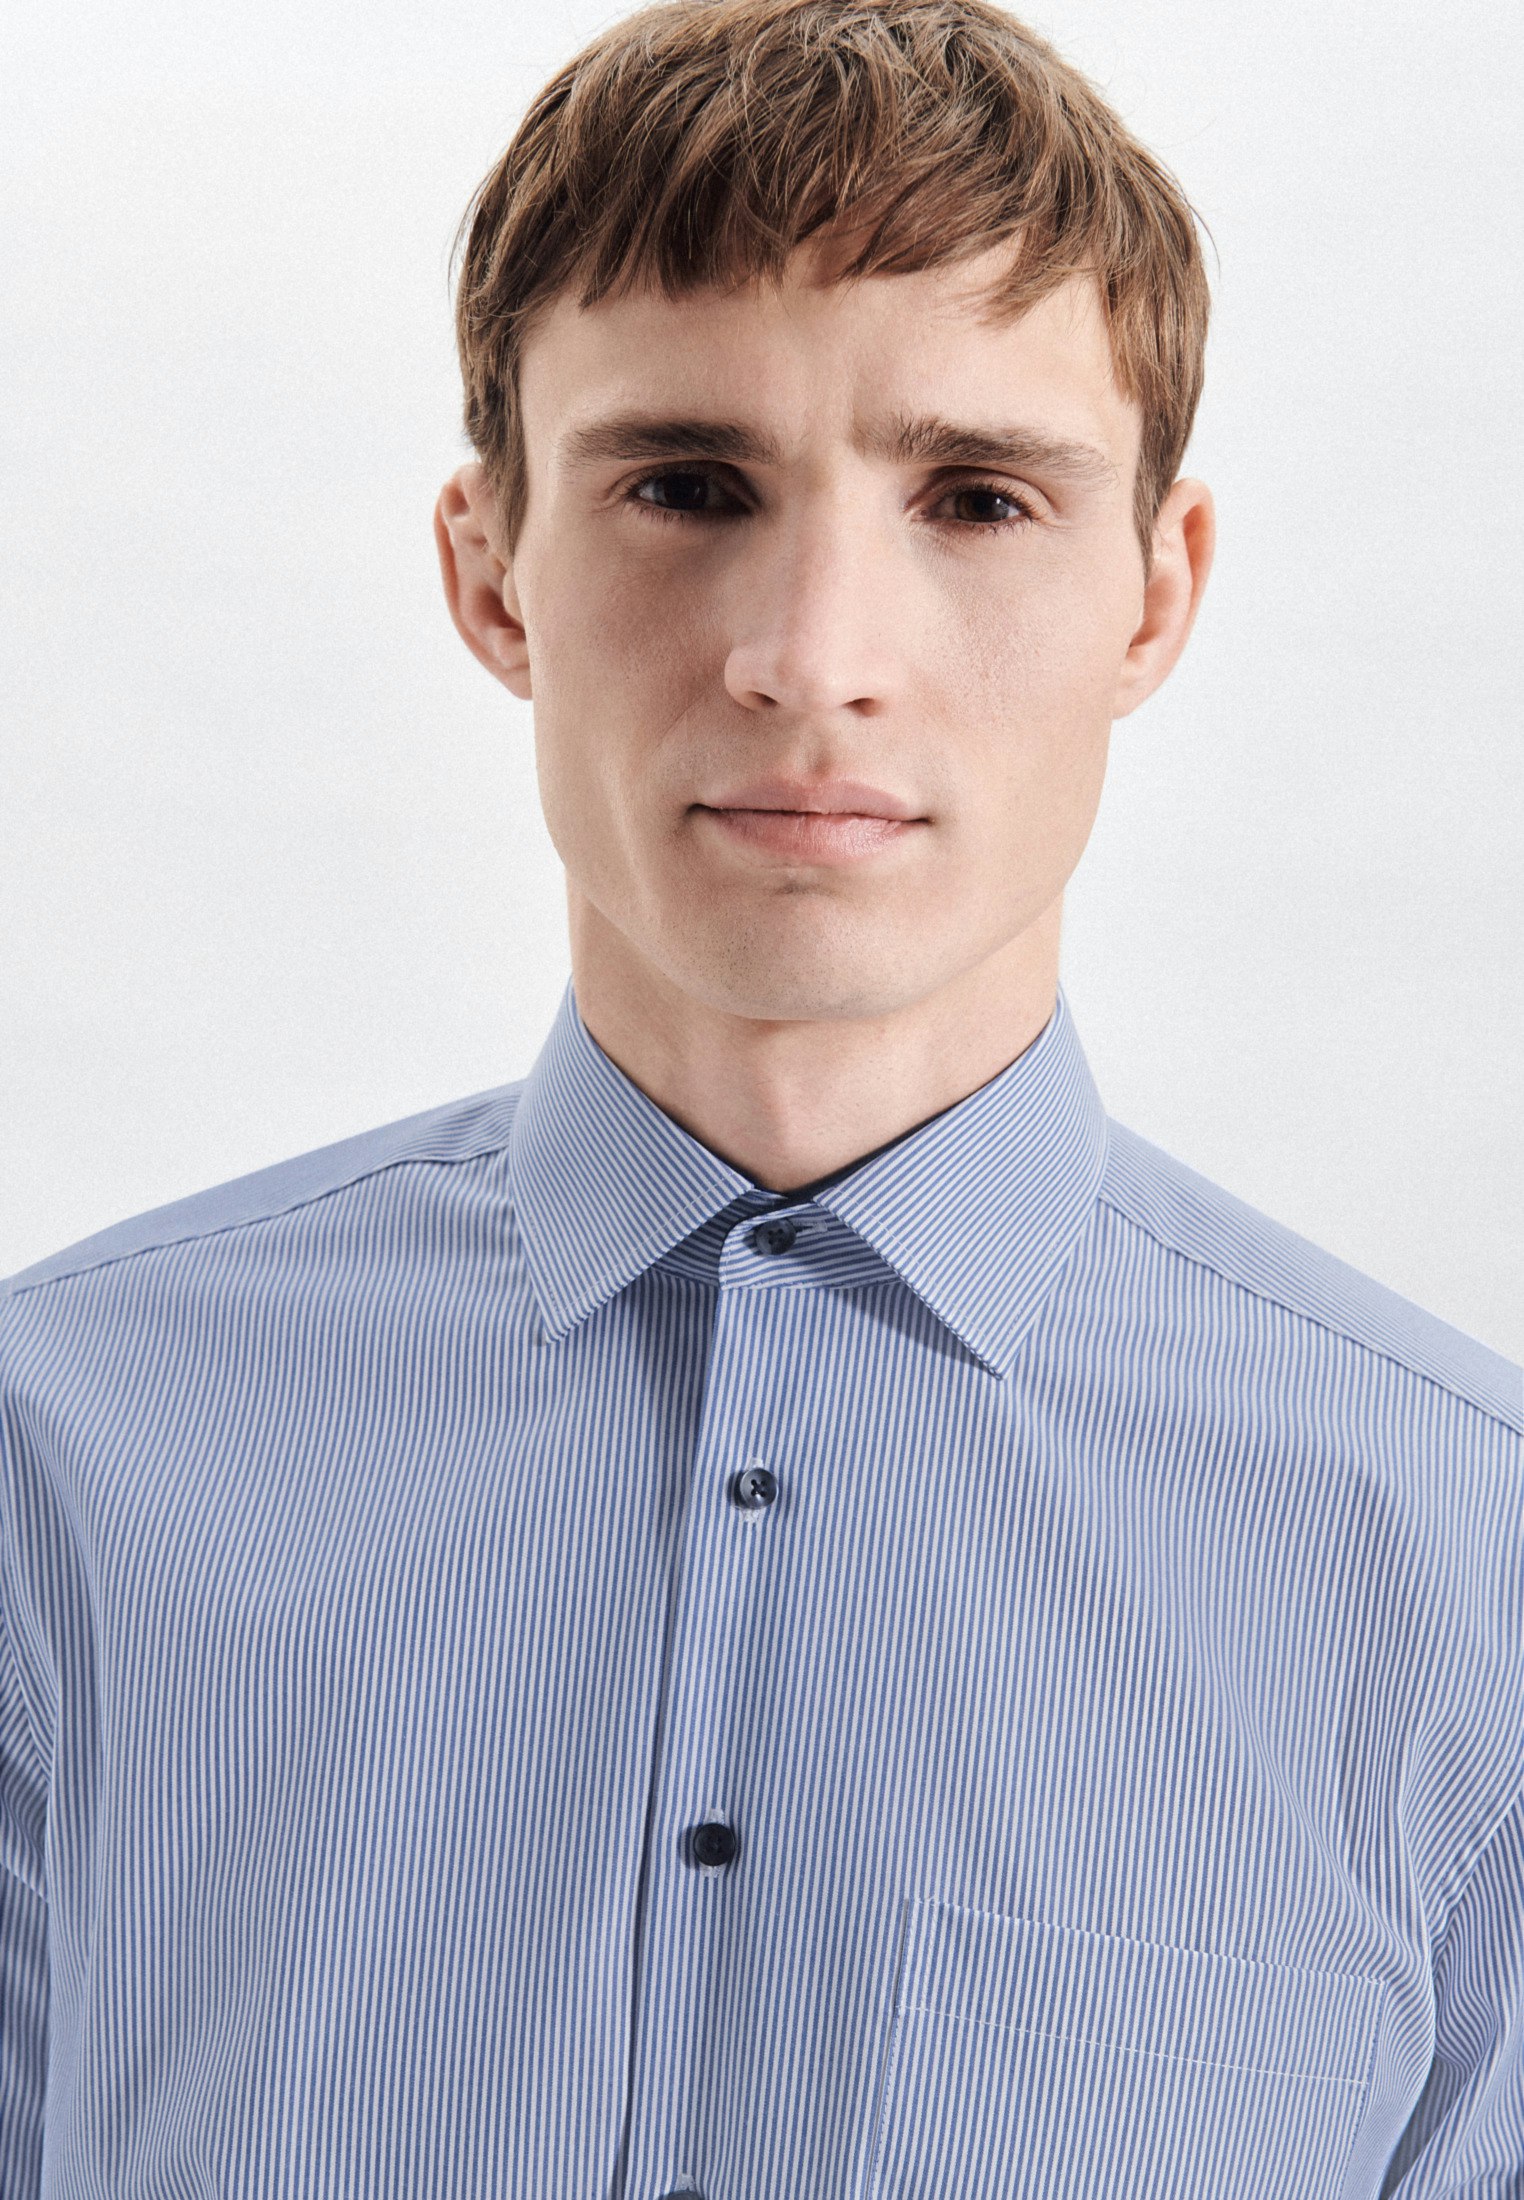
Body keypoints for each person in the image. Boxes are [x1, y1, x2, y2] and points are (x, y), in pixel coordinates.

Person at [2, 0, 1519, 2191]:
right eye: (687, 486)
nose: (813, 655)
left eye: (979, 498)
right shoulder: (56, 1453)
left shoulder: (1474, 1571)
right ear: (489, 567)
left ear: (1156, 594)